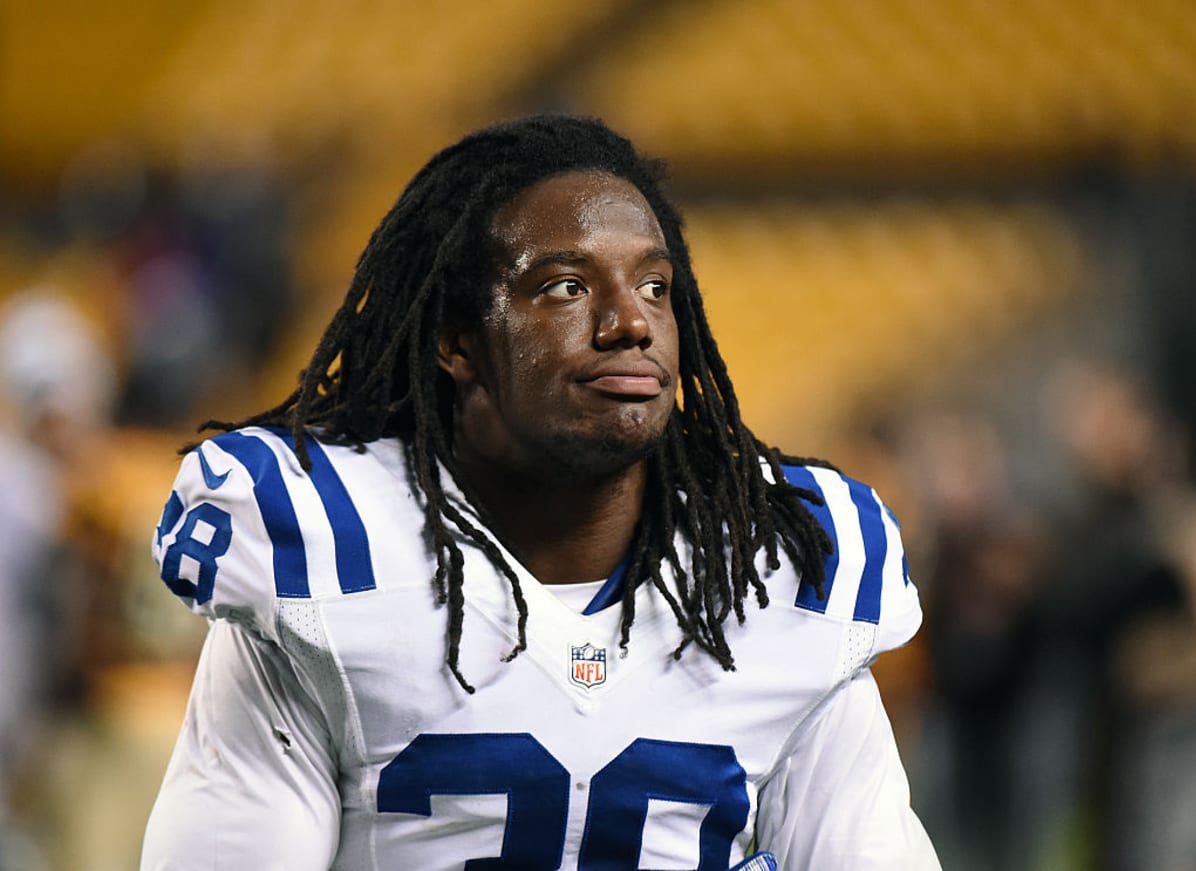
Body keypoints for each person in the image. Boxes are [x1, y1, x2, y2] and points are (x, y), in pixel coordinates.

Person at [141, 115, 940, 870]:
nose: (631, 322)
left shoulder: (780, 567)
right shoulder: (329, 559)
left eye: (656, 287)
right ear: (457, 338)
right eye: (565, 287)